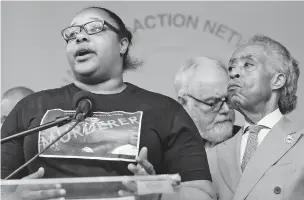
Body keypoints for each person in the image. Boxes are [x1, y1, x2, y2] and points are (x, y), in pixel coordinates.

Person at [1, 6, 216, 200]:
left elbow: (201, 192)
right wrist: (12, 197)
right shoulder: (29, 107)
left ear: (122, 44)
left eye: (94, 28)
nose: (80, 38)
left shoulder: (166, 111)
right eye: (72, 34)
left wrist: (156, 193)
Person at [213, 34, 304, 200]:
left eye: (248, 64)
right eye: (231, 68)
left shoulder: (301, 144)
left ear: (277, 80)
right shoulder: (214, 153)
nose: (233, 74)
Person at [174, 56, 240, 198]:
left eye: (229, 99)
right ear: (183, 102)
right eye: (213, 102)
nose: (225, 110)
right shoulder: (166, 151)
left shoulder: (251, 145)